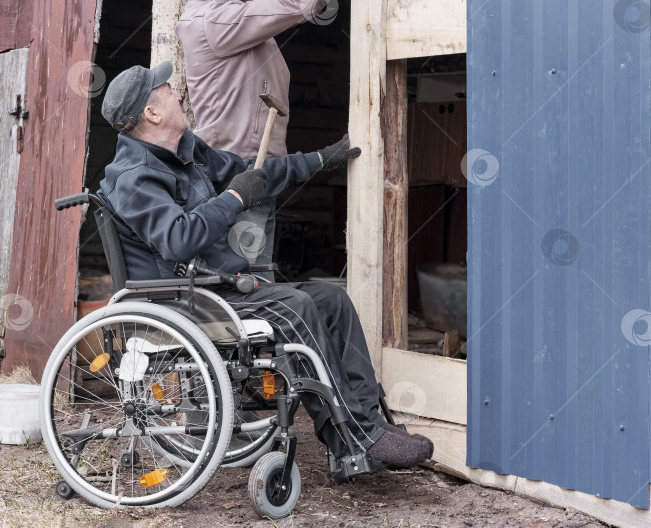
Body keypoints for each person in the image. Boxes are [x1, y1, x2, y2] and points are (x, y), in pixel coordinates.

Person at [97, 62, 434, 468]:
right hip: (183, 300)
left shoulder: (186, 151)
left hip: (214, 287)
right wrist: (235, 199)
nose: (178, 94)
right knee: (295, 307)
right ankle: (359, 436)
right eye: (169, 91)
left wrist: (320, 160)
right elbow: (179, 239)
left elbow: (250, 175)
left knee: (331, 298)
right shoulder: (134, 177)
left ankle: (366, 424)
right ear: (151, 113)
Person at [172, 0, 358, 275]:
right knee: (246, 280)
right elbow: (296, 3)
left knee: (251, 275)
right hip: (237, 172)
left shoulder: (225, 16)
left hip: (248, 170)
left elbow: (305, 6)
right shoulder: (215, 20)